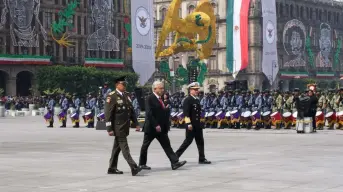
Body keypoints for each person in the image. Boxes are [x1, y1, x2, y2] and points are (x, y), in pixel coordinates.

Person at [139, 81, 187, 170]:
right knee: (145, 146)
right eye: (160, 88)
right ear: (154, 89)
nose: (162, 90)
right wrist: (156, 125)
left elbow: (160, 112)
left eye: (162, 88)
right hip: (152, 128)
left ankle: (174, 162)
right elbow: (149, 114)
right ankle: (142, 163)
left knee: (167, 145)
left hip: (161, 128)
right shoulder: (150, 98)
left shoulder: (160, 99)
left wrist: (165, 110)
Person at [105, 76, 142, 176]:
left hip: (125, 126)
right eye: (123, 84)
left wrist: (136, 124)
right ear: (117, 85)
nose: (125, 86)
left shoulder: (126, 95)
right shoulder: (111, 96)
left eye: (125, 84)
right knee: (125, 148)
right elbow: (108, 114)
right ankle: (133, 167)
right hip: (118, 127)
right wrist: (109, 128)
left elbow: (131, 111)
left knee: (116, 148)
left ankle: (112, 168)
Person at [175, 82, 211, 164]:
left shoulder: (197, 99)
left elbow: (198, 112)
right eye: (195, 89)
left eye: (197, 89)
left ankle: (202, 158)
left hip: (198, 125)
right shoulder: (187, 100)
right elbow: (186, 113)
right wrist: (188, 124)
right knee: (187, 142)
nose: (197, 91)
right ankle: (175, 156)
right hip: (191, 125)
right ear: (190, 90)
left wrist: (202, 122)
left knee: (200, 141)